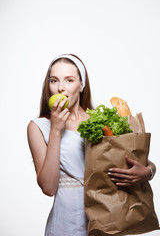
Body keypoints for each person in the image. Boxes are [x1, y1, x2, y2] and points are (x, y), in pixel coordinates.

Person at [27, 53, 156, 236]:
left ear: (82, 84)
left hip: (105, 216)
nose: (60, 88)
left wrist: (148, 172)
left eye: (69, 80)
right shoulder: (38, 127)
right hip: (65, 222)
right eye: (54, 80)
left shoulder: (100, 122)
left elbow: (135, 158)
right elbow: (48, 187)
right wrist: (56, 130)